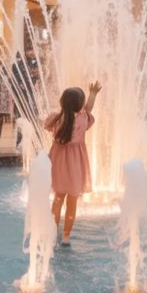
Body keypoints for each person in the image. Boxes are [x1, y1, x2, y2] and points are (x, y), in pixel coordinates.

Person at [47, 81, 102, 246]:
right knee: (72, 201)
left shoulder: (56, 119)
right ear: (80, 104)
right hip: (76, 164)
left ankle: (52, 233)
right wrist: (92, 95)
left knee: (58, 198)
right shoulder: (83, 120)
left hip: (58, 163)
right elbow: (88, 109)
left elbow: (47, 124)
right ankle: (66, 236)